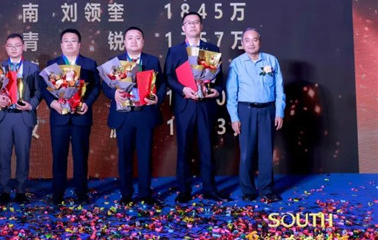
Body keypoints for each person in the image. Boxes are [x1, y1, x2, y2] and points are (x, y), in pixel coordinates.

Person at [164, 12, 228, 203]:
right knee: (184, 149)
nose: (192, 25)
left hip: (206, 105)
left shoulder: (212, 49)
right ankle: (184, 190)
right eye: (188, 23)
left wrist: (216, 91)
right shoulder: (175, 51)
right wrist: (183, 89)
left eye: (196, 22)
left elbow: (219, 79)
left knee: (207, 147)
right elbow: (168, 77)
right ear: (183, 28)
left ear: (201, 26)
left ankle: (210, 189)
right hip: (185, 105)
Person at [102, 26, 165, 205]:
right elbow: (105, 85)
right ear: (124, 42)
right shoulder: (115, 62)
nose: (134, 41)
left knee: (145, 156)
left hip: (144, 114)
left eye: (137, 37)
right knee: (125, 156)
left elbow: (161, 84)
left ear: (143, 42)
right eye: (130, 38)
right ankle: (126, 194)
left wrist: (157, 98)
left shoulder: (152, 61)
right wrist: (113, 93)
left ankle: (145, 193)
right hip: (124, 115)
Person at [226, 28, 285, 203]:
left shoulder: (271, 60)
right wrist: (234, 117)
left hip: (268, 110)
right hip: (246, 110)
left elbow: (279, 88)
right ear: (242, 43)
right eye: (247, 40)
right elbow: (231, 93)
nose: (251, 43)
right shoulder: (236, 64)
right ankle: (248, 190)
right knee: (247, 152)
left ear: (260, 41)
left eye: (255, 40)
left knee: (266, 152)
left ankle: (267, 189)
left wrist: (279, 112)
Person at [42, 29, 100, 204]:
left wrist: (87, 103)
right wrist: (53, 103)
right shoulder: (53, 64)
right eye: (66, 40)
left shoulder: (89, 64)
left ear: (79, 44)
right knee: (59, 156)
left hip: (81, 117)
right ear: (61, 45)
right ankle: (57, 194)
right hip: (59, 117)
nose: (69, 43)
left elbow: (96, 87)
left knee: (80, 157)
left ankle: (81, 193)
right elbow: (44, 87)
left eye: (73, 40)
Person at [0, 33, 42, 205]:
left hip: (23, 116)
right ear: (5, 47)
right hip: (4, 116)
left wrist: (30, 105)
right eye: (10, 45)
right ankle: (4, 190)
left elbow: (39, 91)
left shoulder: (32, 68)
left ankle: (20, 190)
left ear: (23, 47)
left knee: (23, 154)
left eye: (17, 45)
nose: (14, 48)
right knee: (3, 154)